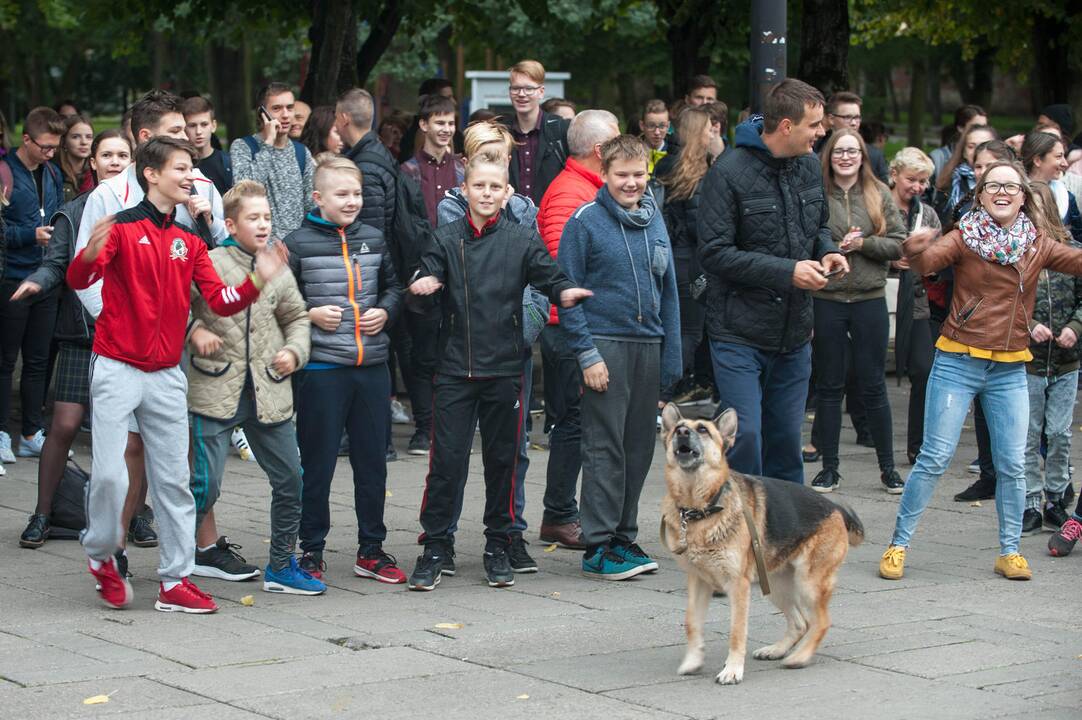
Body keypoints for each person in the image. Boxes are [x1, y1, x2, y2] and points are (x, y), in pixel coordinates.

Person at [68, 136, 287, 612]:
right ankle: (102, 554)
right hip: (117, 365)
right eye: (182, 168)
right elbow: (79, 281)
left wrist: (258, 277)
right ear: (152, 173)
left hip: (167, 373)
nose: (191, 176)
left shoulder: (190, 240)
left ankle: (175, 580)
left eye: (191, 168)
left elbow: (222, 302)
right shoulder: (122, 228)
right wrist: (88, 254)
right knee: (109, 476)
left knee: (173, 480)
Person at [878, 159, 1082, 583]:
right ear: (981, 196)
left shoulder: (1036, 243)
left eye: (1011, 186)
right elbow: (928, 261)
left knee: (1011, 464)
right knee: (934, 458)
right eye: (993, 186)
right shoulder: (964, 238)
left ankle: (1009, 552)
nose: (1002, 192)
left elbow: (1076, 261)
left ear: (1023, 198)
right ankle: (898, 544)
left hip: (1009, 368)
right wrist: (914, 248)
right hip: (958, 361)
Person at [405, 155, 589, 591]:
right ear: (464, 190)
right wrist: (421, 287)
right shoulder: (446, 237)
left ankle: (499, 542)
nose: (486, 194)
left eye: (495, 187)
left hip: (505, 368)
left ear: (507, 193)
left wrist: (565, 291)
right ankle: (436, 544)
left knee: (503, 463)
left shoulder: (522, 239)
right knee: (446, 463)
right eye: (479, 186)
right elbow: (424, 280)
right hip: (455, 369)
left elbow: (549, 275)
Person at [698, 78, 849, 485]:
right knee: (744, 435)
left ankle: (786, 533)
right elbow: (713, 253)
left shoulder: (807, 167)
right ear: (786, 126)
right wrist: (788, 272)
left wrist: (827, 250)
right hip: (737, 332)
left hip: (794, 332)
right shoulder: (727, 173)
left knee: (785, 439)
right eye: (815, 125)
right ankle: (742, 526)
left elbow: (817, 227)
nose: (822, 133)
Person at [185, 180, 323, 595]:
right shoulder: (209, 261)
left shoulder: (277, 268)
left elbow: (297, 318)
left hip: (269, 391)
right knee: (205, 487)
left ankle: (282, 565)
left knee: (292, 480)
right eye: (253, 218)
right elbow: (177, 309)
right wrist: (195, 332)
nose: (263, 225)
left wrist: (294, 353)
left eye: (267, 217)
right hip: (215, 389)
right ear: (230, 223)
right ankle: (177, 559)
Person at [433, 120, 554, 574]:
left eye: (501, 157)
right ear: (467, 167)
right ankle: (441, 538)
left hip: (513, 343)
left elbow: (537, 271)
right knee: (455, 450)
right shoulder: (452, 211)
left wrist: (528, 324)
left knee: (514, 447)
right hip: (467, 349)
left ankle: (510, 533)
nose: (493, 166)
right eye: (483, 157)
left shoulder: (525, 209)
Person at [557, 134, 680, 580]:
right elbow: (566, 295)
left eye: (638, 174)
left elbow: (670, 293)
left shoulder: (654, 218)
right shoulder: (585, 222)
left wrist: (672, 362)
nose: (631, 183)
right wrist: (587, 354)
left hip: (648, 344)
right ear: (604, 174)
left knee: (637, 447)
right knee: (604, 446)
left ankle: (624, 536)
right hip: (605, 344)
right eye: (622, 175)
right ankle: (599, 544)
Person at [14, 129, 137, 551]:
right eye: (107, 155)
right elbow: (57, 264)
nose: (115, 161)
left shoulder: (142, 210)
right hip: (80, 337)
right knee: (63, 425)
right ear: (93, 162)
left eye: (123, 154)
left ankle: (134, 515)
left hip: (128, 341)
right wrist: (37, 281)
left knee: (127, 435)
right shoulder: (74, 211)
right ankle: (42, 514)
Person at [283, 156, 405, 584]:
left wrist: (386, 312)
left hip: (372, 367)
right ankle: (311, 549)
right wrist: (310, 314)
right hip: (321, 369)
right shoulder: (296, 243)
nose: (352, 201)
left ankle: (371, 548)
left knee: (373, 463)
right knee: (317, 463)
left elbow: (394, 287)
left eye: (357, 194)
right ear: (318, 198)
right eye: (342, 194)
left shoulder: (373, 237)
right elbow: (278, 302)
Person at [535, 109, 620, 549]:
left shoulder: (585, 188)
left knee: (578, 423)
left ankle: (566, 512)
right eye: (618, 140)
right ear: (601, 150)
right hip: (568, 329)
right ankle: (560, 515)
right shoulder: (572, 193)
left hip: (577, 327)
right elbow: (561, 270)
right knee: (572, 425)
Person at [809, 129, 906, 494]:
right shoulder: (816, 192)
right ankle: (829, 468)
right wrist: (832, 247)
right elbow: (806, 240)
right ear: (829, 155)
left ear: (863, 156)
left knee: (873, 385)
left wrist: (863, 243)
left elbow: (898, 244)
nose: (846, 157)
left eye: (852, 151)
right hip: (828, 299)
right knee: (829, 386)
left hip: (869, 299)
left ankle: (888, 469)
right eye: (839, 151)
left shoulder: (878, 192)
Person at [0, 106, 65, 463]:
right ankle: (0, 434)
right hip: (13, 276)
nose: (50, 153)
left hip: (46, 280)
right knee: (7, 360)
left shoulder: (52, 173)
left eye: (55, 147)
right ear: (26, 139)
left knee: (39, 360)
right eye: (45, 147)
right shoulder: (5, 171)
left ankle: (30, 432)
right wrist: (30, 235)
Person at [1017, 180, 1081, 538]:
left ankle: (1056, 497)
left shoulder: (1070, 250)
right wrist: (1031, 325)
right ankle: (1029, 500)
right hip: (1029, 360)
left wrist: (1075, 326)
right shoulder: (1014, 252)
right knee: (1027, 434)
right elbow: (1006, 303)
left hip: (1067, 359)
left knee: (1059, 433)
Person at [888, 148, 942, 466]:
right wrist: (891, 257)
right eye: (912, 179)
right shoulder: (878, 203)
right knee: (859, 371)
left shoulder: (929, 214)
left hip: (918, 300)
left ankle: (917, 444)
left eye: (923, 181)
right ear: (894, 174)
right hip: (880, 295)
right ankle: (863, 429)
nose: (917, 187)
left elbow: (938, 258)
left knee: (924, 369)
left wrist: (926, 260)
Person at [659, 106, 716, 405]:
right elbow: (699, 226)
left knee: (676, 328)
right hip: (691, 262)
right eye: (708, 128)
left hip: (672, 257)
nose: (712, 133)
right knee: (689, 332)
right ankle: (662, 396)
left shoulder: (668, 165)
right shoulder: (697, 172)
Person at [230, 83, 315, 236]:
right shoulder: (243, 147)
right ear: (262, 113)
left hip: (296, 249)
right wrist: (269, 143)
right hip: (259, 246)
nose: (285, 115)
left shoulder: (301, 152)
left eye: (289, 108)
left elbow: (311, 206)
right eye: (277, 108)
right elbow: (243, 192)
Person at [505, 59, 571, 203]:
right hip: (508, 220)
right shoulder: (500, 131)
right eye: (515, 88)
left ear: (541, 92)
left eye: (529, 88)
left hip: (551, 218)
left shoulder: (561, 130)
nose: (521, 94)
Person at [399, 93, 464, 227]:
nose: (447, 129)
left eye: (451, 124)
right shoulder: (408, 171)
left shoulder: (462, 169)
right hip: (420, 246)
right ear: (424, 125)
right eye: (440, 123)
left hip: (456, 246)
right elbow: (403, 222)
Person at [1022, 131, 1082, 243]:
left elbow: (1079, 238)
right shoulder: (1013, 195)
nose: (1065, 163)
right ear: (1037, 160)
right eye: (1059, 156)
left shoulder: (1067, 198)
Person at [819, 91, 889, 182]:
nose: (854, 123)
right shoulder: (815, 150)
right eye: (847, 117)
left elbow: (883, 193)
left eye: (857, 117)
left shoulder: (874, 156)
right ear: (831, 119)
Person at [936, 124, 997, 219]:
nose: (977, 150)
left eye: (984, 145)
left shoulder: (1010, 181)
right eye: (971, 146)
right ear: (964, 152)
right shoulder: (950, 182)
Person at [397, 78, 465, 163]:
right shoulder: (414, 136)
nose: (454, 102)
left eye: (451, 124)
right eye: (447, 98)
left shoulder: (457, 136)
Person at [929, 105, 988, 195]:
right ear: (960, 128)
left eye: (984, 127)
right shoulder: (938, 157)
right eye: (976, 127)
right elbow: (928, 193)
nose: (981, 131)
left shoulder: (989, 155)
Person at [182, 96, 233, 195]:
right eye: (192, 125)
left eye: (204, 124)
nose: (198, 132)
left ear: (213, 126)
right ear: (184, 128)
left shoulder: (228, 164)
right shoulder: (179, 166)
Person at [57, 114, 95, 202]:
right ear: (64, 141)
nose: (84, 142)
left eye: (89, 137)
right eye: (76, 137)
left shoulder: (96, 171)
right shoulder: (53, 173)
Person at [641, 99, 672, 176]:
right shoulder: (631, 153)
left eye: (662, 126)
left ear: (668, 126)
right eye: (651, 126)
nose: (657, 132)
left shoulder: (676, 153)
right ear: (642, 125)